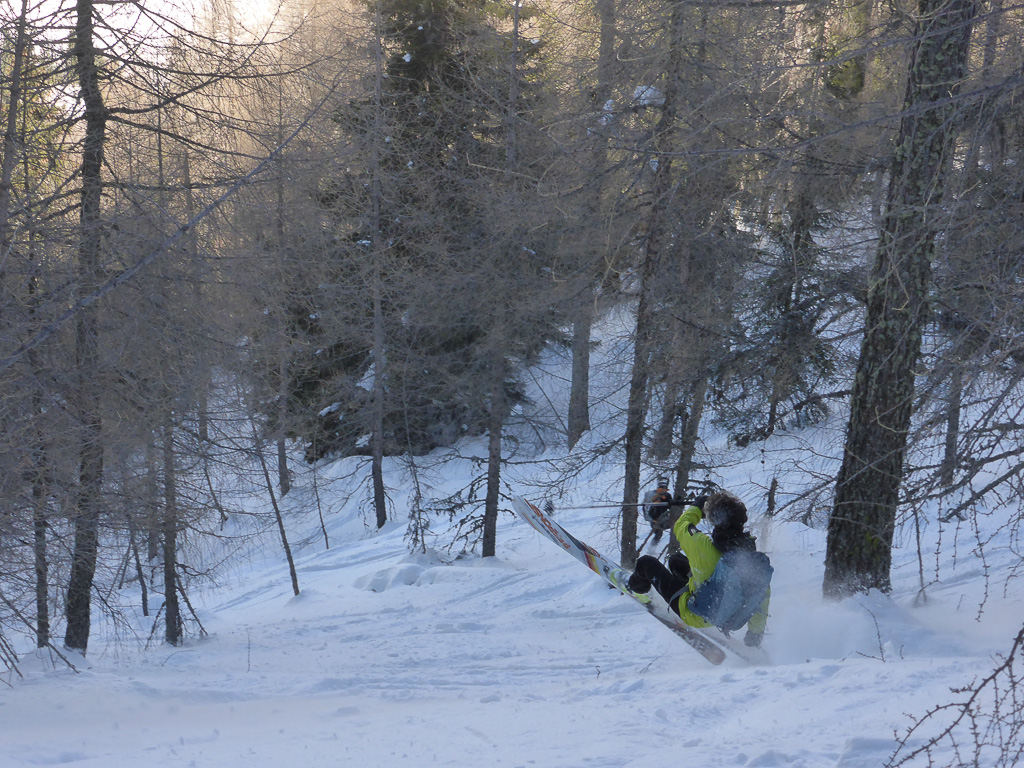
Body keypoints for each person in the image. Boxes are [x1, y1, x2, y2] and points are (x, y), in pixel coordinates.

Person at [627, 490, 770, 648]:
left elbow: (681, 526)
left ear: (714, 520)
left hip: (695, 613)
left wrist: (697, 506)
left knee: (645, 563)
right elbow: (762, 593)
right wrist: (756, 631)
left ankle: (634, 587)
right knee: (675, 561)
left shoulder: (702, 546)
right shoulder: (751, 558)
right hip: (727, 613)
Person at [641, 477, 674, 546]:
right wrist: (651, 520)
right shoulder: (651, 495)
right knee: (658, 533)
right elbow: (645, 507)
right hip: (654, 517)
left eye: (664, 487)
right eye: (661, 487)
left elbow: (671, 507)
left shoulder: (667, 496)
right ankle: (651, 548)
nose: (662, 489)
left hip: (663, 518)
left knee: (662, 532)